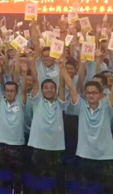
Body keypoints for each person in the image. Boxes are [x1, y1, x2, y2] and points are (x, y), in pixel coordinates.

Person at [67, 59, 113, 193]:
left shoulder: (107, 106)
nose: (91, 95)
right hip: (84, 157)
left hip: (106, 158)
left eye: (94, 92)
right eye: (88, 93)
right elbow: (71, 87)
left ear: (101, 94)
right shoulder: (81, 107)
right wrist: (61, 67)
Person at [28, 57, 76, 191]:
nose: (49, 90)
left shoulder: (60, 103)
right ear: (42, 90)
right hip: (39, 147)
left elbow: (62, 85)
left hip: (56, 149)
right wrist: (32, 61)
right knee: (38, 182)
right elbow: (35, 79)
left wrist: (61, 68)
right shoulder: (37, 101)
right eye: (46, 88)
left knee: (54, 183)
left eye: (52, 88)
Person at [0, 53, 26, 184]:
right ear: (4, 92)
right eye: (7, 90)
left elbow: (23, 89)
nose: (9, 93)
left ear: (16, 92)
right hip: (1, 145)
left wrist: (23, 72)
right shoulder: (0, 102)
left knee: (16, 180)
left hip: (17, 146)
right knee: (0, 178)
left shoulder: (21, 102)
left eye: (12, 90)